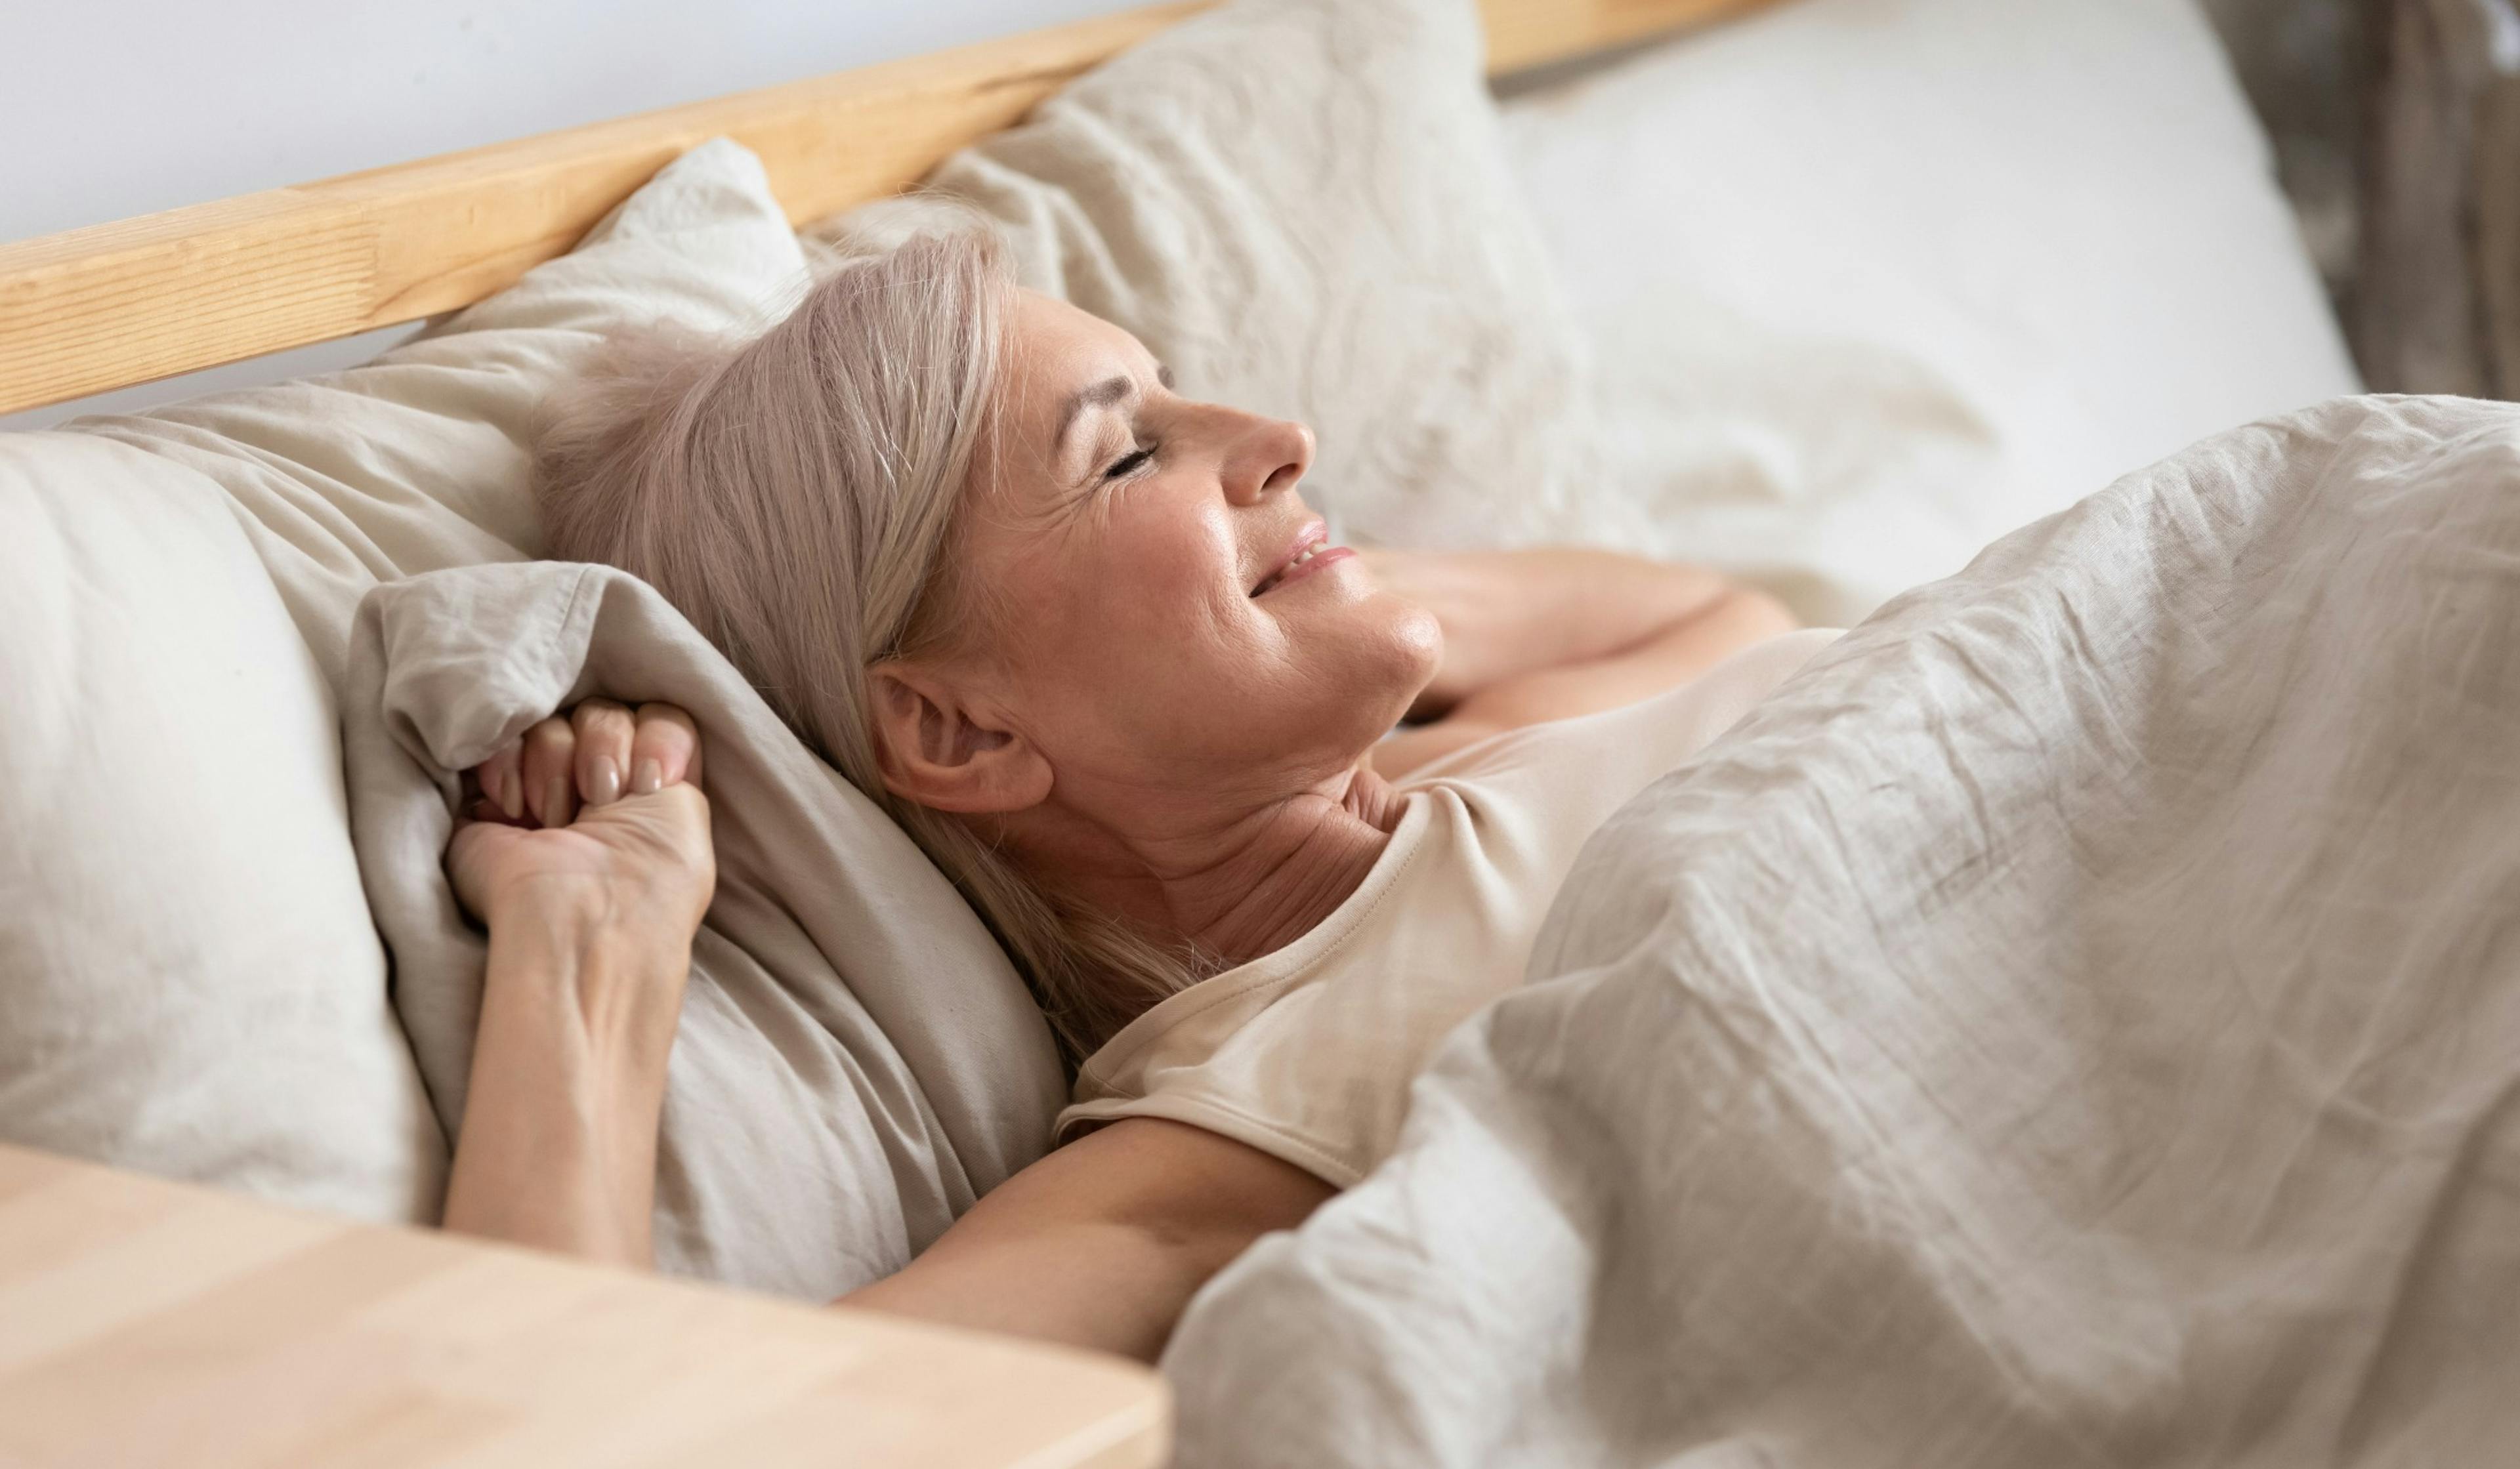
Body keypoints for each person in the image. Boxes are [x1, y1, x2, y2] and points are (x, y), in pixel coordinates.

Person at [438, 230, 1836, 1361]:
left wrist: (1338, 593)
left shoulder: (1468, 766)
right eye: (1126, 453)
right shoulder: (1235, 1134)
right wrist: (592, 948)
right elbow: (579, 1441)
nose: (1281, 435)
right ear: (961, 730)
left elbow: (1724, 607)